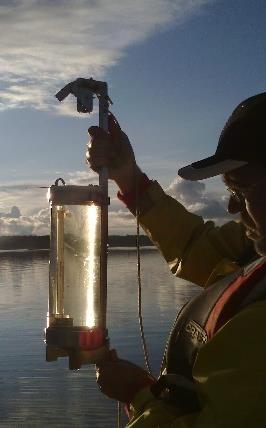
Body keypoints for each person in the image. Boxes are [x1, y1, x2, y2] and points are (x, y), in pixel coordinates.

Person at [87, 92, 266, 427]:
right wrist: (128, 176)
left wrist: (140, 393)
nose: (231, 208)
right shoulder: (254, 248)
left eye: (241, 189)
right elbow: (197, 247)